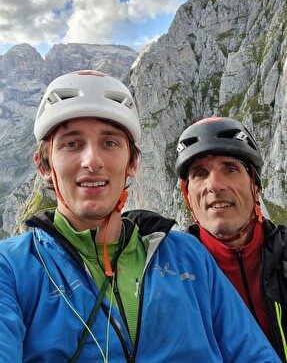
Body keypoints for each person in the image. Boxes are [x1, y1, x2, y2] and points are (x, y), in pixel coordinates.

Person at [0, 73, 281, 363]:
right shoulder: (11, 268)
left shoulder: (188, 255)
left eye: (109, 143)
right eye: (71, 144)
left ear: (132, 162)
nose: (92, 161)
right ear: (44, 165)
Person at [174, 116, 287, 362]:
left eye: (230, 169)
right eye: (200, 173)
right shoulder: (170, 274)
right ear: (188, 197)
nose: (214, 185)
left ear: (255, 186)